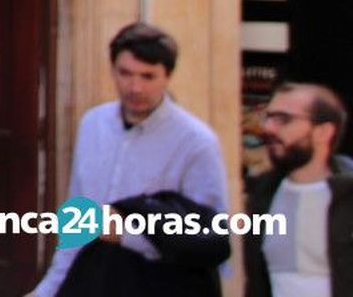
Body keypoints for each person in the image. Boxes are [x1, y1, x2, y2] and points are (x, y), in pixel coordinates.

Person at [29, 22, 230, 296]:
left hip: (160, 281)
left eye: (148, 76)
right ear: (112, 70)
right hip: (94, 273)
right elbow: (78, 213)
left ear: (167, 76)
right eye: (125, 73)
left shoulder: (196, 141)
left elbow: (210, 236)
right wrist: (48, 289)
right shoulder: (93, 124)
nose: (135, 87)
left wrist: (127, 236)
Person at [243, 83, 353, 297]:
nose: (269, 128)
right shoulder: (263, 194)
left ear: (323, 132)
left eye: (284, 120)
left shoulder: (347, 195)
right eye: (269, 117)